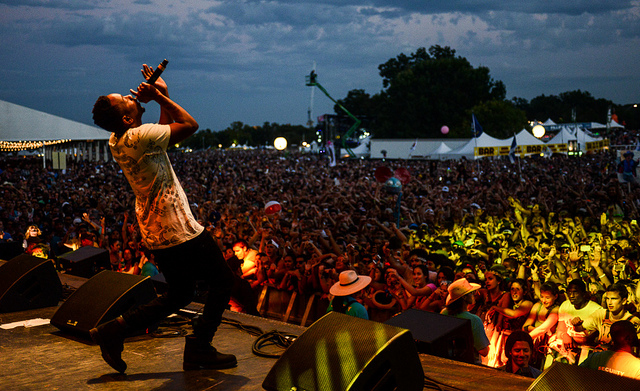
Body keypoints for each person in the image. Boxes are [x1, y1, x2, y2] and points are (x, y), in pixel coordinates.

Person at [89, 64, 235, 373]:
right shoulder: (139, 135)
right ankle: (200, 347)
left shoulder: (119, 140)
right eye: (125, 99)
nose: (130, 94)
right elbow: (190, 125)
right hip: (178, 227)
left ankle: (114, 330)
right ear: (128, 118)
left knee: (179, 293)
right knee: (223, 281)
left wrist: (162, 95)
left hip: (156, 230)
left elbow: (168, 131)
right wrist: (157, 97)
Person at [442, 278, 490, 363]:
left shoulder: (444, 313)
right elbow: (484, 351)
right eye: (471, 293)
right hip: (470, 364)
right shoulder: (474, 320)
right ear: (464, 297)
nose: (474, 295)